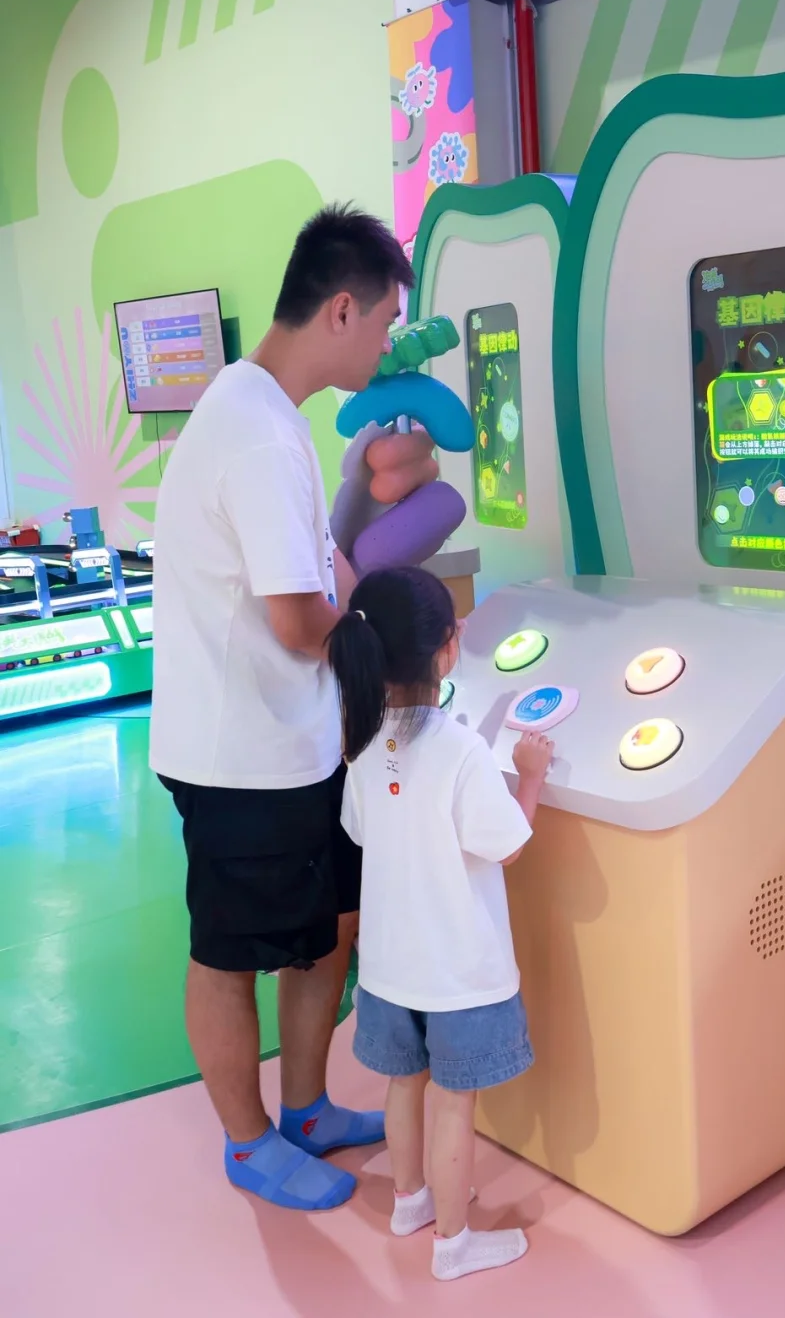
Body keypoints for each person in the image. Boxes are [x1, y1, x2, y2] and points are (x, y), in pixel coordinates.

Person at [150, 205, 437, 1211]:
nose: (388, 344)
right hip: (238, 754)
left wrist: (375, 605)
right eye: (386, 322)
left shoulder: (263, 411)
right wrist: (378, 645)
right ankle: (248, 1140)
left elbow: (320, 572)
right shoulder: (260, 435)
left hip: (295, 740)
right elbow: (296, 620)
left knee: (328, 930)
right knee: (230, 954)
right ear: (342, 309)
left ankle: (307, 1108)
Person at [327, 566, 554, 1281]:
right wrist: (531, 776)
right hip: (458, 975)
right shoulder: (461, 751)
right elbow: (507, 844)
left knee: (405, 1087)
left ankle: (410, 1201)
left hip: (389, 970)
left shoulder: (363, 743)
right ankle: (454, 1244)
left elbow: (360, 830)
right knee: (455, 1105)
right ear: (447, 650)